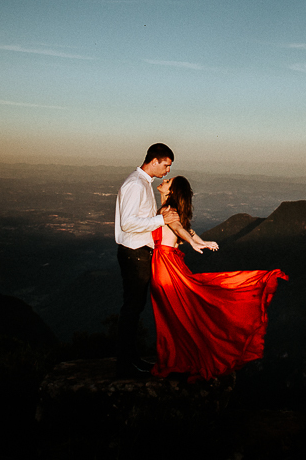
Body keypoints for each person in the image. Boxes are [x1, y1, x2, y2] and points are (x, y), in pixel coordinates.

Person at [149, 175, 287, 382]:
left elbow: (179, 229)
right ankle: (181, 358)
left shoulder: (167, 211)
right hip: (169, 263)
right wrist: (199, 241)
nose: (164, 180)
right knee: (179, 313)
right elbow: (185, 229)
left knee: (171, 314)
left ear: (172, 191)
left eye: (168, 181)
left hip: (165, 265)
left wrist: (195, 243)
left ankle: (177, 360)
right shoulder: (170, 210)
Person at [115, 142, 180, 378]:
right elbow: (128, 223)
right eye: (166, 165)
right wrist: (161, 221)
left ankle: (130, 359)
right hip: (134, 253)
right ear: (154, 161)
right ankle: (125, 364)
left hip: (139, 251)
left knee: (135, 307)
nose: (168, 171)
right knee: (132, 308)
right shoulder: (135, 184)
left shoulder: (142, 183)